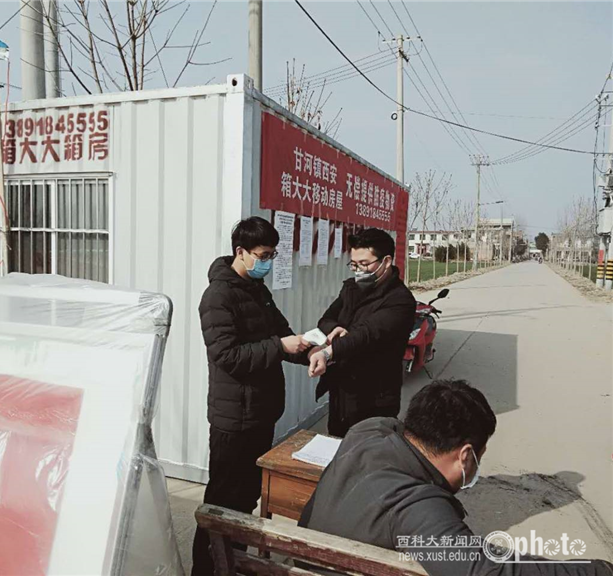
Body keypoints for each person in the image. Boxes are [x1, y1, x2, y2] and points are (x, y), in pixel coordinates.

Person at [299, 380, 613, 576]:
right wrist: (597, 571)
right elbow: (483, 570)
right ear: (465, 456)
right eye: (479, 456)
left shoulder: (366, 432)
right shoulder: (416, 505)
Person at [191, 216, 311, 576]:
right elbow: (227, 356)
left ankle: (233, 563)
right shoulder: (218, 296)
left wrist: (313, 350)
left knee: (245, 499)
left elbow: (282, 334)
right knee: (221, 504)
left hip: (261, 412)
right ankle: (206, 569)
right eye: (263, 255)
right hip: (233, 419)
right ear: (240, 252)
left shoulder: (257, 290)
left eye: (272, 255)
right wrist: (280, 346)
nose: (268, 263)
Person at [307, 228, 416, 437]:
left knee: (369, 451)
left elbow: (366, 334)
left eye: (364, 264)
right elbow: (326, 319)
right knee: (338, 444)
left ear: (386, 261)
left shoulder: (400, 300)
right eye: (354, 264)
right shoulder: (351, 289)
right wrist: (334, 329)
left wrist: (327, 353)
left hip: (374, 399)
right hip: (343, 392)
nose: (358, 271)